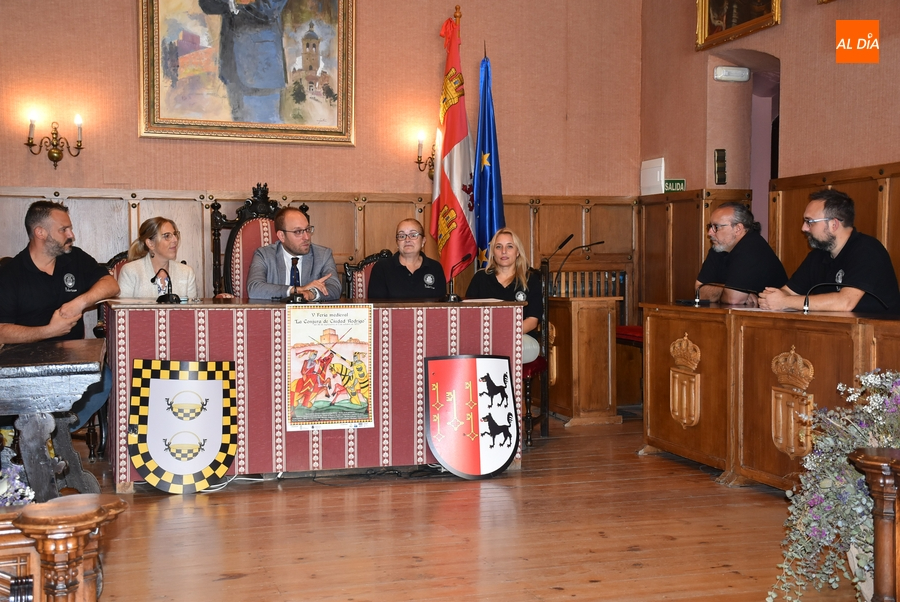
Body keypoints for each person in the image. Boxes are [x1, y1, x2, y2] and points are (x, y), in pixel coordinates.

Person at [0, 201, 120, 430]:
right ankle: (32, 436)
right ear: (40, 232)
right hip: (26, 364)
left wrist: (80, 302)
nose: (71, 235)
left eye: (69, 228)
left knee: (103, 379)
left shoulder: (75, 259)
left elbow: (111, 284)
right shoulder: (10, 274)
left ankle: (55, 434)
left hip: (72, 358)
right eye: (63, 229)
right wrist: (49, 331)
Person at [758, 189, 900, 313]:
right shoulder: (818, 255)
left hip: (877, 337)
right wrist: (772, 297)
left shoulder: (867, 250)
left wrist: (784, 302)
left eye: (810, 222)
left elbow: (845, 303)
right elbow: (789, 291)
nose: (804, 228)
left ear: (834, 224)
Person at [198, 0, 289, 123]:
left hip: (261, 69)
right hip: (231, 67)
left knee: (263, 134)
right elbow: (206, 4)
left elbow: (269, 8)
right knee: (241, 136)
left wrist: (235, 2)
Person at [465, 228, 542, 363]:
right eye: (498, 247)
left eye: (510, 246)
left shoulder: (531, 279)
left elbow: (532, 321)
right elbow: (468, 315)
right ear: (493, 252)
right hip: (484, 337)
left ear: (518, 252)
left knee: (507, 348)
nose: (504, 251)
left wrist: (505, 334)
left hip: (521, 337)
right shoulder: (480, 278)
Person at [695, 202, 787, 306]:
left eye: (716, 227)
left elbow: (733, 300)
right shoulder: (719, 246)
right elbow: (699, 291)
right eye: (710, 226)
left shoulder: (751, 246)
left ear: (738, 228)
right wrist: (726, 290)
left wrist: (717, 291)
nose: (710, 232)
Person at [246, 206, 341, 301]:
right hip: (275, 314)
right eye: (298, 232)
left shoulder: (323, 255)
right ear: (282, 236)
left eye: (307, 229)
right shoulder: (264, 255)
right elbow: (254, 289)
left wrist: (310, 293)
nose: (306, 237)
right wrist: (296, 290)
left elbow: (335, 288)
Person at [118, 217, 198, 299]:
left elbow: (191, 310)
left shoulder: (187, 273)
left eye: (175, 234)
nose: (175, 240)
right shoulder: (130, 271)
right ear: (150, 243)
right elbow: (123, 310)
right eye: (167, 236)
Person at [367, 219, 447, 300]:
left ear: (423, 241)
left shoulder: (435, 268)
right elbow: (377, 307)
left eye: (413, 235)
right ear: (397, 242)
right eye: (402, 236)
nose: (407, 240)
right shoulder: (381, 268)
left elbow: (440, 306)